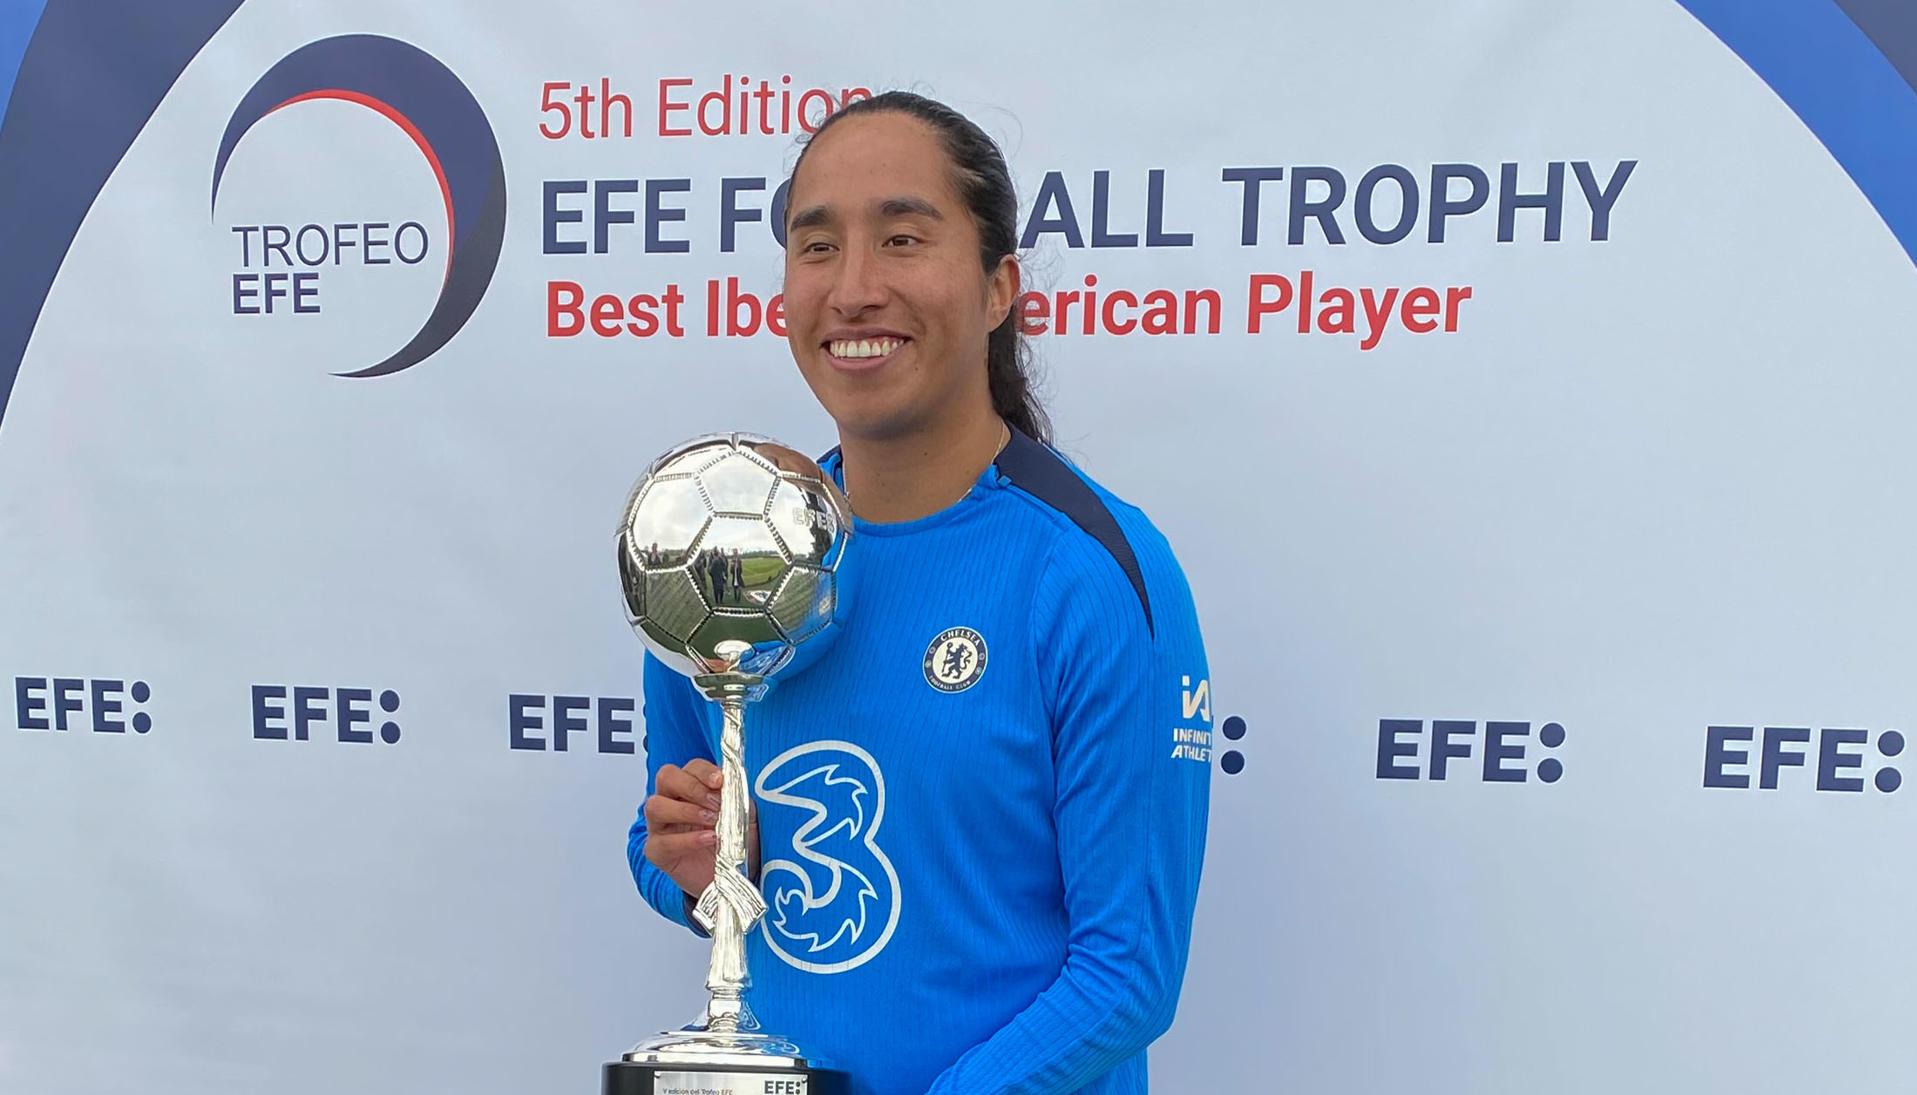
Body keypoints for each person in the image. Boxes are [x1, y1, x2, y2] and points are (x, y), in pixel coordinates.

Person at [627, 91, 1213, 1095]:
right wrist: (698, 865)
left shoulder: (1085, 575)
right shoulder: (725, 551)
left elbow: (1128, 975)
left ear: (998, 288)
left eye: (902, 238)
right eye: (817, 248)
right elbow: (664, 851)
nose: (854, 288)